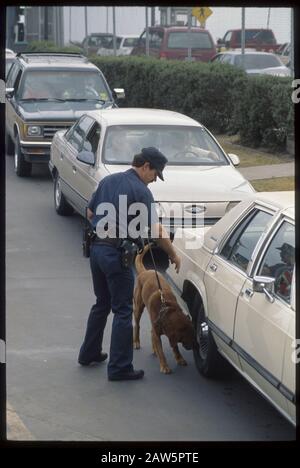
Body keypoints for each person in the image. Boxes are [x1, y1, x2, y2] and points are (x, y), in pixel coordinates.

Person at [78, 147, 181, 381]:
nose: (154, 180)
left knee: (101, 303)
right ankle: (119, 367)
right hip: (116, 255)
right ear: (145, 166)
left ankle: (88, 353)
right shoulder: (141, 191)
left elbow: (91, 213)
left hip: (96, 250)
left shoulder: (108, 180)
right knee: (123, 310)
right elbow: (156, 230)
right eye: (155, 174)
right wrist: (173, 254)